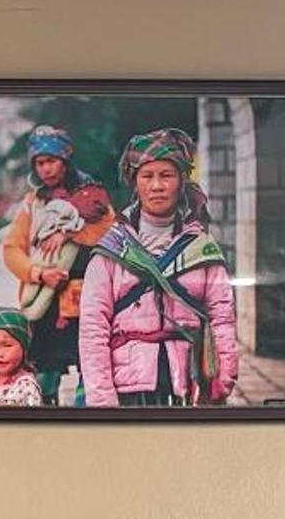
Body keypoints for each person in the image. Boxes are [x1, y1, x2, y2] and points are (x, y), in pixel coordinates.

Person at [76, 128, 239, 408]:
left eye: (167, 175)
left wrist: (223, 377)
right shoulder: (111, 250)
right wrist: (103, 400)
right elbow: (93, 328)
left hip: (189, 385)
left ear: (182, 180)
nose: (157, 186)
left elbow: (221, 315)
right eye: (147, 176)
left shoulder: (201, 247)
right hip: (128, 389)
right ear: (134, 182)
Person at [0, 126, 107, 405]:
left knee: (91, 369)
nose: (45, 169)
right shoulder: (33, 203)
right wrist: (38, 274)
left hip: (88, 297)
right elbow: (11, 249)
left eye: (51, 161)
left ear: (65, 160)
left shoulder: (91, 197)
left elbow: (109, 231)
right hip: (46, 300)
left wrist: (70, 234)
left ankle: (85, 422)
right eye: (39, 162)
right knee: (44, 371)